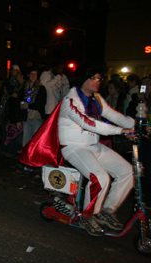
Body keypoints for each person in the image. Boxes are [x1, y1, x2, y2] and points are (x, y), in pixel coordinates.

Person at [58, 62, 136, 236]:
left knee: (128, 172)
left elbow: (116, 116)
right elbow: (89, 123)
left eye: (99, 78)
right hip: (74, 147)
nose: (97, 81)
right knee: (100, 178)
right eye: (93, 77)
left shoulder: (97, 99)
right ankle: (87, 215)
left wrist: (138, 125)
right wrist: (121, 131)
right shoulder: (70, 100)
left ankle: (107, 210)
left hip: (93, 146)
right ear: (83, 79)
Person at [16, 67, 47, 147]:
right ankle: (26, 158)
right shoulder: (23, 88)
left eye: (35, 74)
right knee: (26, 142)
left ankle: (35, 158)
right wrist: (18, 120)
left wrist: (28, 105)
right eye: (31, 74)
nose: (33, 76)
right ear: (28, 75)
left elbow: (41, 104)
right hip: (26, 118)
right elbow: (18, 104)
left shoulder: (41, 88)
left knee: (36, 141)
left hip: (37, 118)